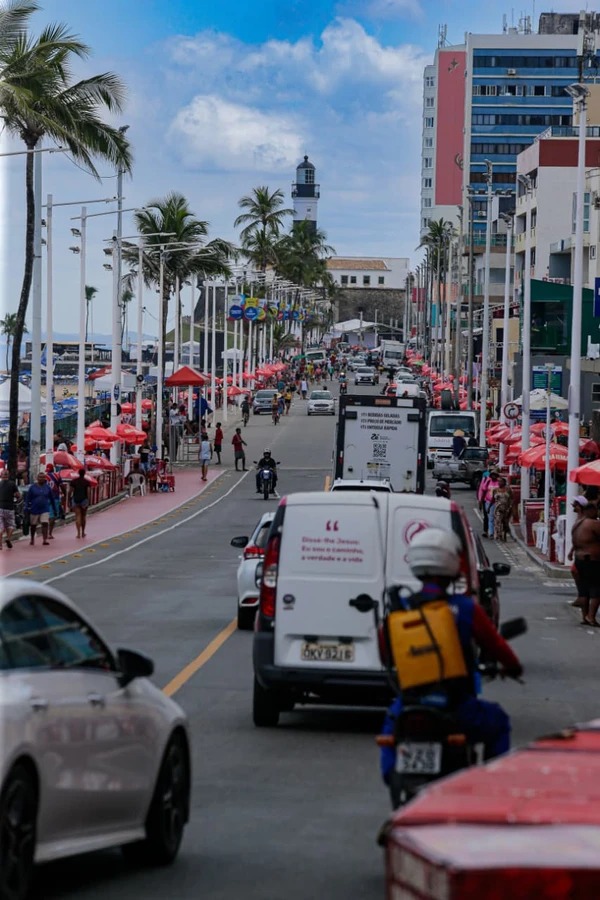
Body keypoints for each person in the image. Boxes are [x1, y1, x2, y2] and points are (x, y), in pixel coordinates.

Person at [379, 528, 523, 788]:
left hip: (411, 702)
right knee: (499, 721)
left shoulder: (403, 608)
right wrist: (513, 667)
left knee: (392, 730)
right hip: (456, 705)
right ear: (451, 564)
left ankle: (394, 780)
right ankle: (492, 786)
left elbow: (385, 651)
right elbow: (496, 644)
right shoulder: (466, 608)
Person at [567, 496, 600, 627]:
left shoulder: (578, 523)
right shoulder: (593, 524)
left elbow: (575, 542)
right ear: (590, 511)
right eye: (596, 510)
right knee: (597, 590)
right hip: (592, 561)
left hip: (580, 560)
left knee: (585, 589)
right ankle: (591, 617)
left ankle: (584, 616)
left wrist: (570, 553)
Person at [25, 471, 58, 546]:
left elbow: (52, 499)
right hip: (34, 509)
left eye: (43, 477)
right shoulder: (32, 487)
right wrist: (26, 507)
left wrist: (55, 509)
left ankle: (44, 539)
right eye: (40, 477)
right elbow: (28, 498)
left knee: (45, 523)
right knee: (33, 525)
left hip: (44, 509)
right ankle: (32, 538)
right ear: (37, 478)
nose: (41, 479)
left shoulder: (48, 488)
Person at [0, 468, 20, 550]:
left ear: (1, 475)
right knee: (11, 525)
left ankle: (0, 545)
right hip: (9, 508)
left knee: (0, 527)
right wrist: (17, 497)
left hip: (0, 508)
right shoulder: (12, 484)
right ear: (8, 475)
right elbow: (17, 495)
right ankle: (8, 538)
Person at [45, 464, 65, 539]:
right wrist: (65, 494)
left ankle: (46, 531)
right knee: (52, 516)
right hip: (55, 498)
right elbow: (62, 486)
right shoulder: (57, 476)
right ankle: (49, 533)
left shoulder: (45, 477)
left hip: (45, 498)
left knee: (46, 515)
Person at [70, 469, 90, 539]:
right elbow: (88, 492)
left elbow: (70, 491)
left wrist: (70, 499)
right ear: (84, 473)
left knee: (78, 516)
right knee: (83, 516)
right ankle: (83, 532)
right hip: (84, 499)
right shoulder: (86, 482)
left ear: (78, 473)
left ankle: (78, 533)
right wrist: (88, 500)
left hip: (76, 499)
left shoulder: (74, 481)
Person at [493, 477, 513, 542]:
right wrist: (488, 507)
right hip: (498, 508)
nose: (499, 483)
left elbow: (511, 498)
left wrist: (510, 507)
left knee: (505, 522)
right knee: (498, 521)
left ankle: (504, 534)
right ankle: (498, 535)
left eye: (501, 481)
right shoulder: (495, 490)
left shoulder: (508, 490)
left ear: (504, 482)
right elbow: (492, 499)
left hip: (506, 509)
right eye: (498, 482)